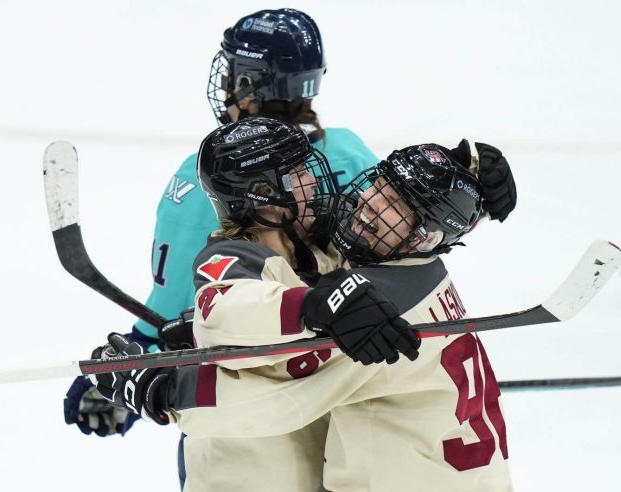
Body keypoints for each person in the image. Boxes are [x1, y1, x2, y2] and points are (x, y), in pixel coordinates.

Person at [92, 123, 516, 491]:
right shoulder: (231, 259)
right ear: (265, 195)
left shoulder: (351, 270)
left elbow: (286, 380)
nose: (319, 182)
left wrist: (164, 389)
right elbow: (229, 311)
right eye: (301, 175)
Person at [63, 7, 379, 442]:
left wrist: (130, 370)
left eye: (233, 72)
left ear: (248, 85)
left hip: (246, 406)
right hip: (352, 398)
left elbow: (175, 308)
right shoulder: (351, 154)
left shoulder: (208, 180)